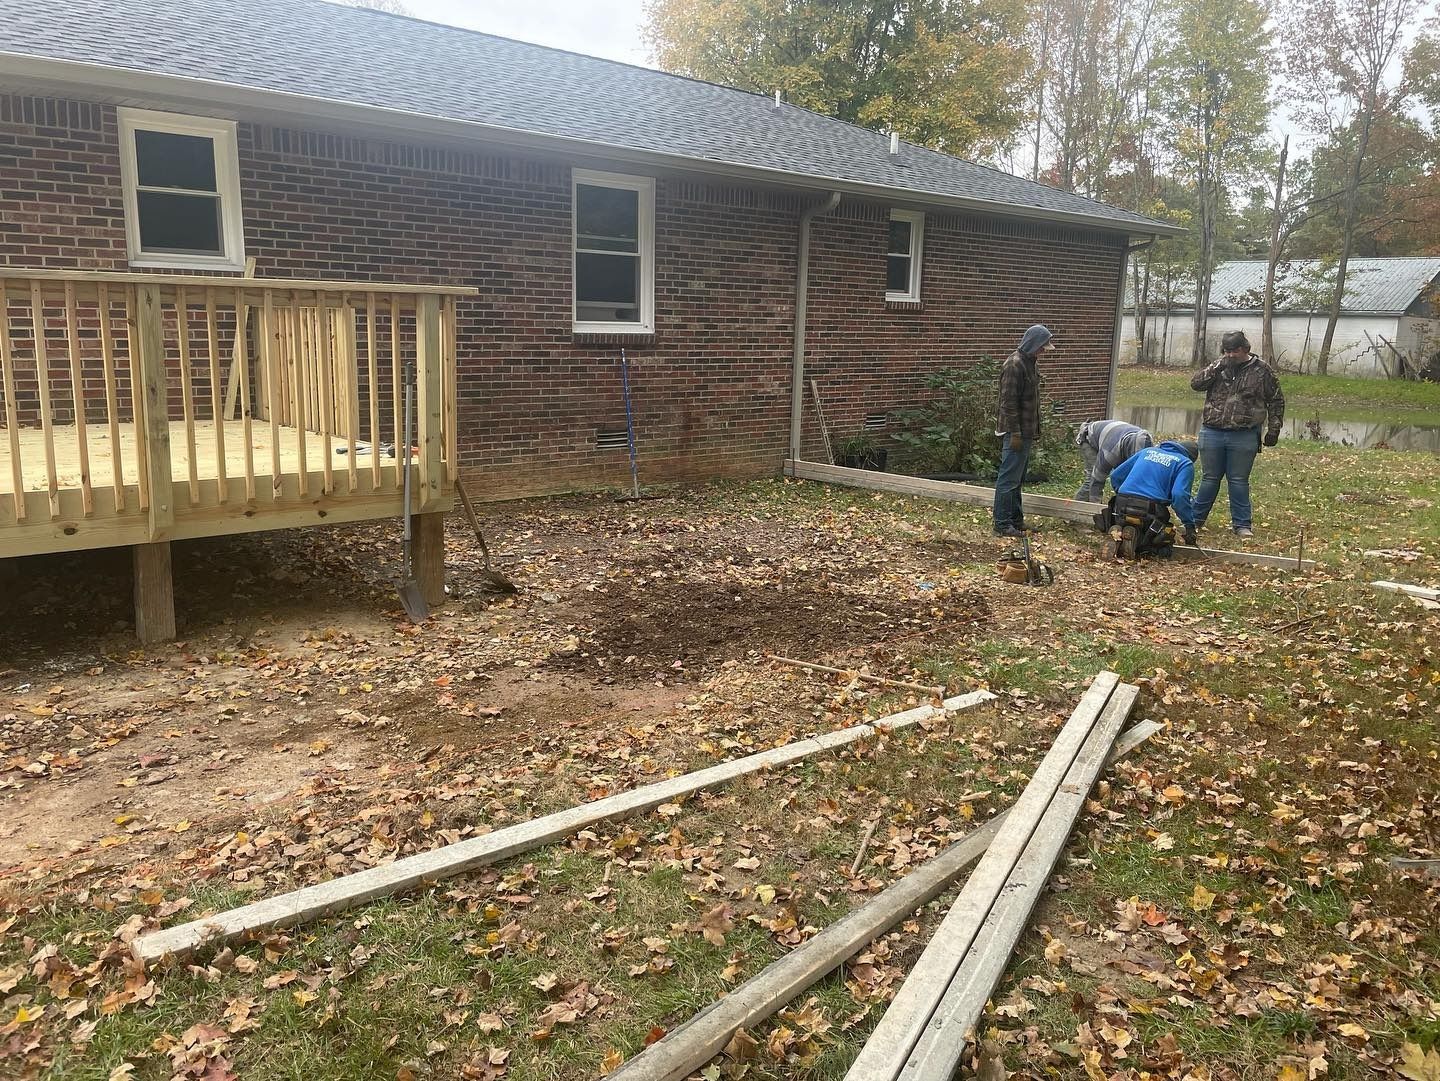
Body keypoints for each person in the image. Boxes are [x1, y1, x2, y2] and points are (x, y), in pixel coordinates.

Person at [1190, 331, 1285, 538]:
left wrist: (1274, 428)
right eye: (1227, 351)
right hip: (1212, 431)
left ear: (1245, 349)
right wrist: (1217, 366)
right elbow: (1196, 384)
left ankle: (1242, 525)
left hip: (1244, 434)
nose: (1230, 355)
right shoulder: (1218, 366)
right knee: (1209, 478)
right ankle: (1195, 521)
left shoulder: (1262, 371)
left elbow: (1276, 400)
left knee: (1238, 480)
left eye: (1234, 351)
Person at [994, 324, 1054, 538]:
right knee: (1008, 479)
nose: (1043, 351)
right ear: (1032, 344)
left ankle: (1016, 521)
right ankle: (1002, 524)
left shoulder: (1030, 363)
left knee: (1017, 479)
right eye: (1041, 347)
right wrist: (1016, 433)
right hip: (1015, 432)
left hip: (1026, 431)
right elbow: (1008, 403)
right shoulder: (1014, 365)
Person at [1100, 439, 1200, 558]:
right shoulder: (1185, 463)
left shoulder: (1147, 451)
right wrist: (1189, 526)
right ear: (1191, 457)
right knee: (1160, 545)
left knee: (1123, 519)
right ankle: (1137, 543)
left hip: (1122, 504)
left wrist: (1122, 494)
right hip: (1150, 509)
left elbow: (1116, 475)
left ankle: (1118, 533)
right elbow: (1180, 495)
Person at [1074, 419, 1155, 502]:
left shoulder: (1148, 447)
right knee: (1091, 478)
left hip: (1114, 433)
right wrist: (1096, 508)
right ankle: (1077, 509)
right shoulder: (1110, 451)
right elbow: (1097, 480)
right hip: (1089, 437)